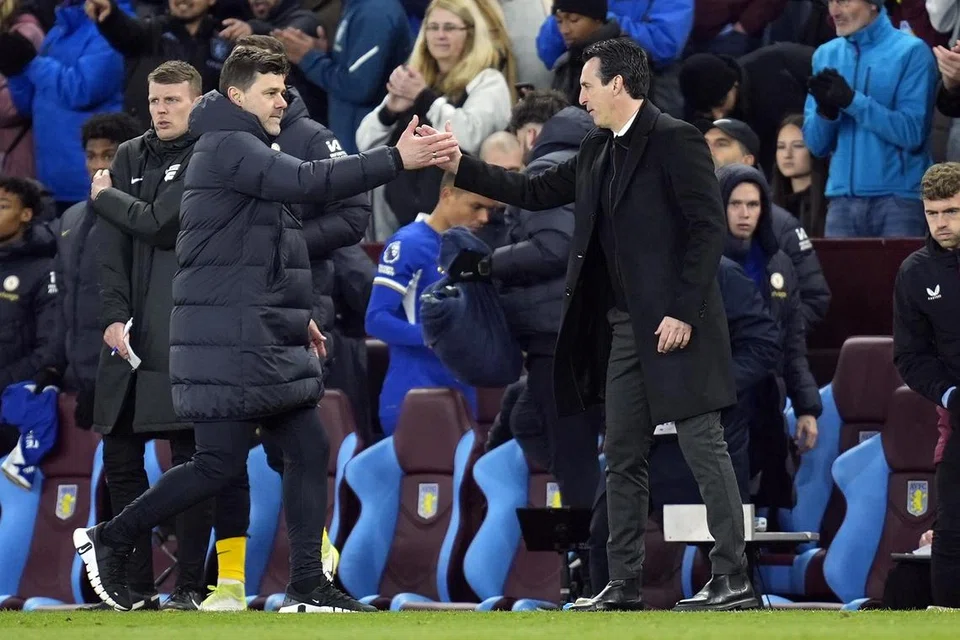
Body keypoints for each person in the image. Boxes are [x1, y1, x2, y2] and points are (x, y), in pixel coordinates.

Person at [72, 45, 458, 613]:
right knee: (218, 463)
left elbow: (265, 255)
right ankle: (111, 536)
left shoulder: (242, 146)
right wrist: (395, 158)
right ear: (236, 96)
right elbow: (308, 180)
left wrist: (296, 317)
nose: (283, 101)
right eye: (271, 92)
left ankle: (307, 583)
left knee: (307, 446)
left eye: (284, 91)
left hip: (257, 333)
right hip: (227, 340)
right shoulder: (228, 145)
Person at [429, 36, 755, 612]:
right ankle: (622, 583)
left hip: (678, 325)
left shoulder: (677, 139)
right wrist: (461, 164)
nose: (579, 97)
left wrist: (683, 311)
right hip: (625, 328)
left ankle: (733, 577)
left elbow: (707, 230)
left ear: (617, 85)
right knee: (623, 454)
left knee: (704, 446)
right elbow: (531, 189)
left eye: (586, 85)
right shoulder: (597, 147)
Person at [88, 61, 234, 611]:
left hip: (184, 329)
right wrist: (111, 314)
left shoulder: (210, 153)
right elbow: (112, 246)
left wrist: (105, 196)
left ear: (198, 101)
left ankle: (190, 587)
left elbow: (163, 223)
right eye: (154, 101)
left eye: (172, 100)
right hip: (129, 331)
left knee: (189, 456)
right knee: (121, 457)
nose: (161, 110)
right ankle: (134, 588)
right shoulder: (129, 155)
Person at [446, 89, 600, 511]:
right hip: (583, 333)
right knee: (527, 420)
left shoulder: (547, 171)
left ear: (531, 136)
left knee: (574, 457)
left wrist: (487, 265)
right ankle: (602, 518)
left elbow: (555, 246)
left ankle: (600, 538)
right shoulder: (592, 166)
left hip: (561, 339)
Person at [717, 163, 821, 512]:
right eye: (735, 204)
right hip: (721, 399)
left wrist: (806, 407)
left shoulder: (779, 263)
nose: (745, 213)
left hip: (767, 399)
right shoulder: (701, 261)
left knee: (766, 499)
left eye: (753, 204)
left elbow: (792, 342)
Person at [365, 172, 494, 435]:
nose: (484, 218)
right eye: (476, 206)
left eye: (489, 209)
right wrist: (436, 336)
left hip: (464, 392)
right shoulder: (408, 244)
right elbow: (376, 320)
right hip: (416, 392)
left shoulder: (474, 249)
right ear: (447, 195)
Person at [804, 0, 937, 237]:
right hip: (841, 201)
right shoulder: (825, 55)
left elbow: (912, 133)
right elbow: (816, 145)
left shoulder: (912, 52)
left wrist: (851, 101)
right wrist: (826, 113)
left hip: (900, 201)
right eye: (830, 1)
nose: (834, 11)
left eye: (843, 1)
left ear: (873, 4)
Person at [893, 161, 960, 609]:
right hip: (958, 417)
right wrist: (950, 395)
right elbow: (910, 356)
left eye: (951, 211)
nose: (941, 223)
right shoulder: (915, 273)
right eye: (933, 213)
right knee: (951, 530)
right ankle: (947, 620)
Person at [701, 117, 831, 333]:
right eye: (705, 143)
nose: (709, 151)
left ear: (747, 160)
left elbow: (814, 297)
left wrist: (773, 335)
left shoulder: (782, 225)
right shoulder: (689, 217)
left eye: (721, 144)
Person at [55, 112, 142, 431]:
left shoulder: (145, 218)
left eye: (109, 155)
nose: (98, 165)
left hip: (131, 379)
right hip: (81, 379)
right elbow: (65, 301)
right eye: (91, 156)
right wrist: (54, 367)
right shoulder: (69, 219)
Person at [83, 0, 229, 129]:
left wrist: (246, 33)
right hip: (146, 141)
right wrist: (110, 16)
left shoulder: (227, 39)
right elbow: (125, 30)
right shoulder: (150, 31)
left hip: (203, 143)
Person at [0, 176, 59, 457]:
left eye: (2, 206)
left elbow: (48, 351)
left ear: (25, 214)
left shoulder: (44, 270)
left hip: (13, 410)